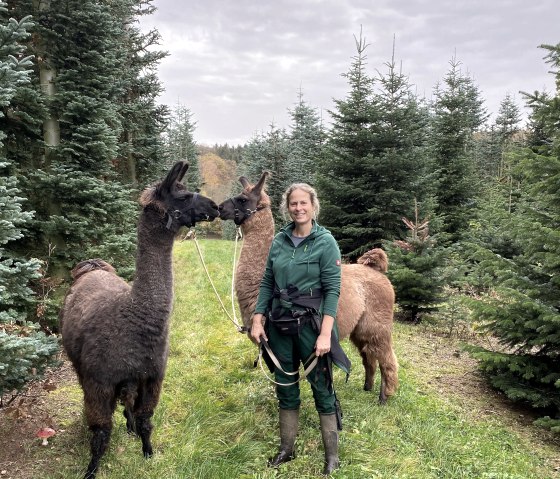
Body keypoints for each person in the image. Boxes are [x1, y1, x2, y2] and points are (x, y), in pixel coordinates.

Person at [250, 183, 350, 475]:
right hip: (280, 323)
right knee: (286, 385)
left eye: (303, 203)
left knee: (322, 386)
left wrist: (324, 334)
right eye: (293, 204)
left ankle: (332, 456)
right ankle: (286, 449)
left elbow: (332, 291)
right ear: (287, 207)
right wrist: (258, 317)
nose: (298, 208)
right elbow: (268, 280)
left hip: (311, 324)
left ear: (313, 205)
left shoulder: (325, 241)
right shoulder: (279, 240)